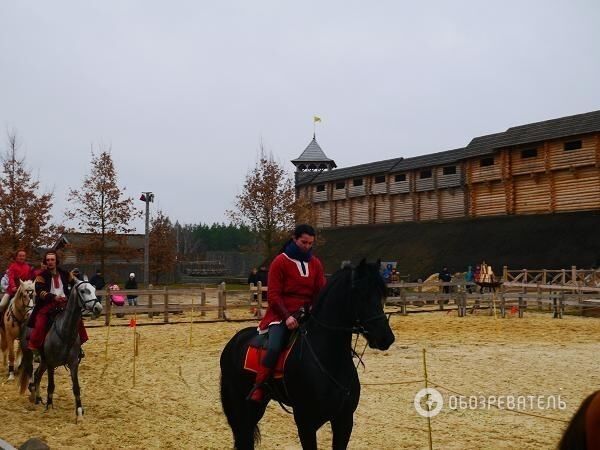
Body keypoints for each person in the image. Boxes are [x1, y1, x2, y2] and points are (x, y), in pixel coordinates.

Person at [248, 224, 327, 403]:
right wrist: (287, 317)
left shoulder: (315, 263)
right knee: (275, 346)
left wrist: (318, 308)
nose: (307, 246)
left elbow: (320, 291)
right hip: (281, 315)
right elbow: (274, 295)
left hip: (307, 313)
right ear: (294, 238)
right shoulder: (280, 262)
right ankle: (260, 385)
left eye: (310, 243)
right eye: (303, 242)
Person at [29, 251, 88, 357]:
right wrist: (53, 297)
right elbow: (40, 291)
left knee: (77, 319)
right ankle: (37, 350)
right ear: (45, 262)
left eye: (52, 260)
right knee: (40, 323)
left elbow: (76, 283)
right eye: (48, 260)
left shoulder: (65, 273)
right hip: (48, 305)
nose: (50, 262)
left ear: (56, 261)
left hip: (65, 304)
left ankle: (78, 346)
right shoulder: (41, 276)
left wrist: (84, 284)